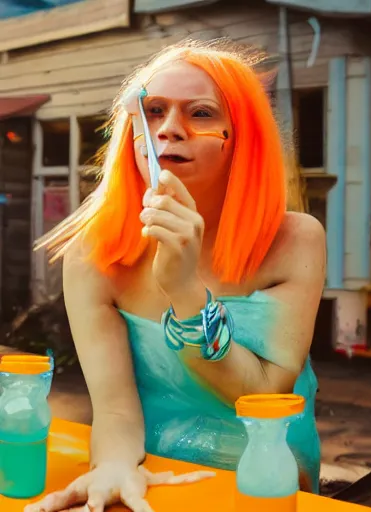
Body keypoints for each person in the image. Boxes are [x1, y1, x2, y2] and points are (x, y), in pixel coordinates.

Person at [28, 39, 326, 512]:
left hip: (263, 476)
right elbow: (115, 409)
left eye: (201, 113)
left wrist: (186, 292)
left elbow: (264, 394)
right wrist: (113, 465)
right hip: (155, 470)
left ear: (240, 135)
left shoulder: (295, 240)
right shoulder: (93, 250)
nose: (168, 129)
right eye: (152, 111)